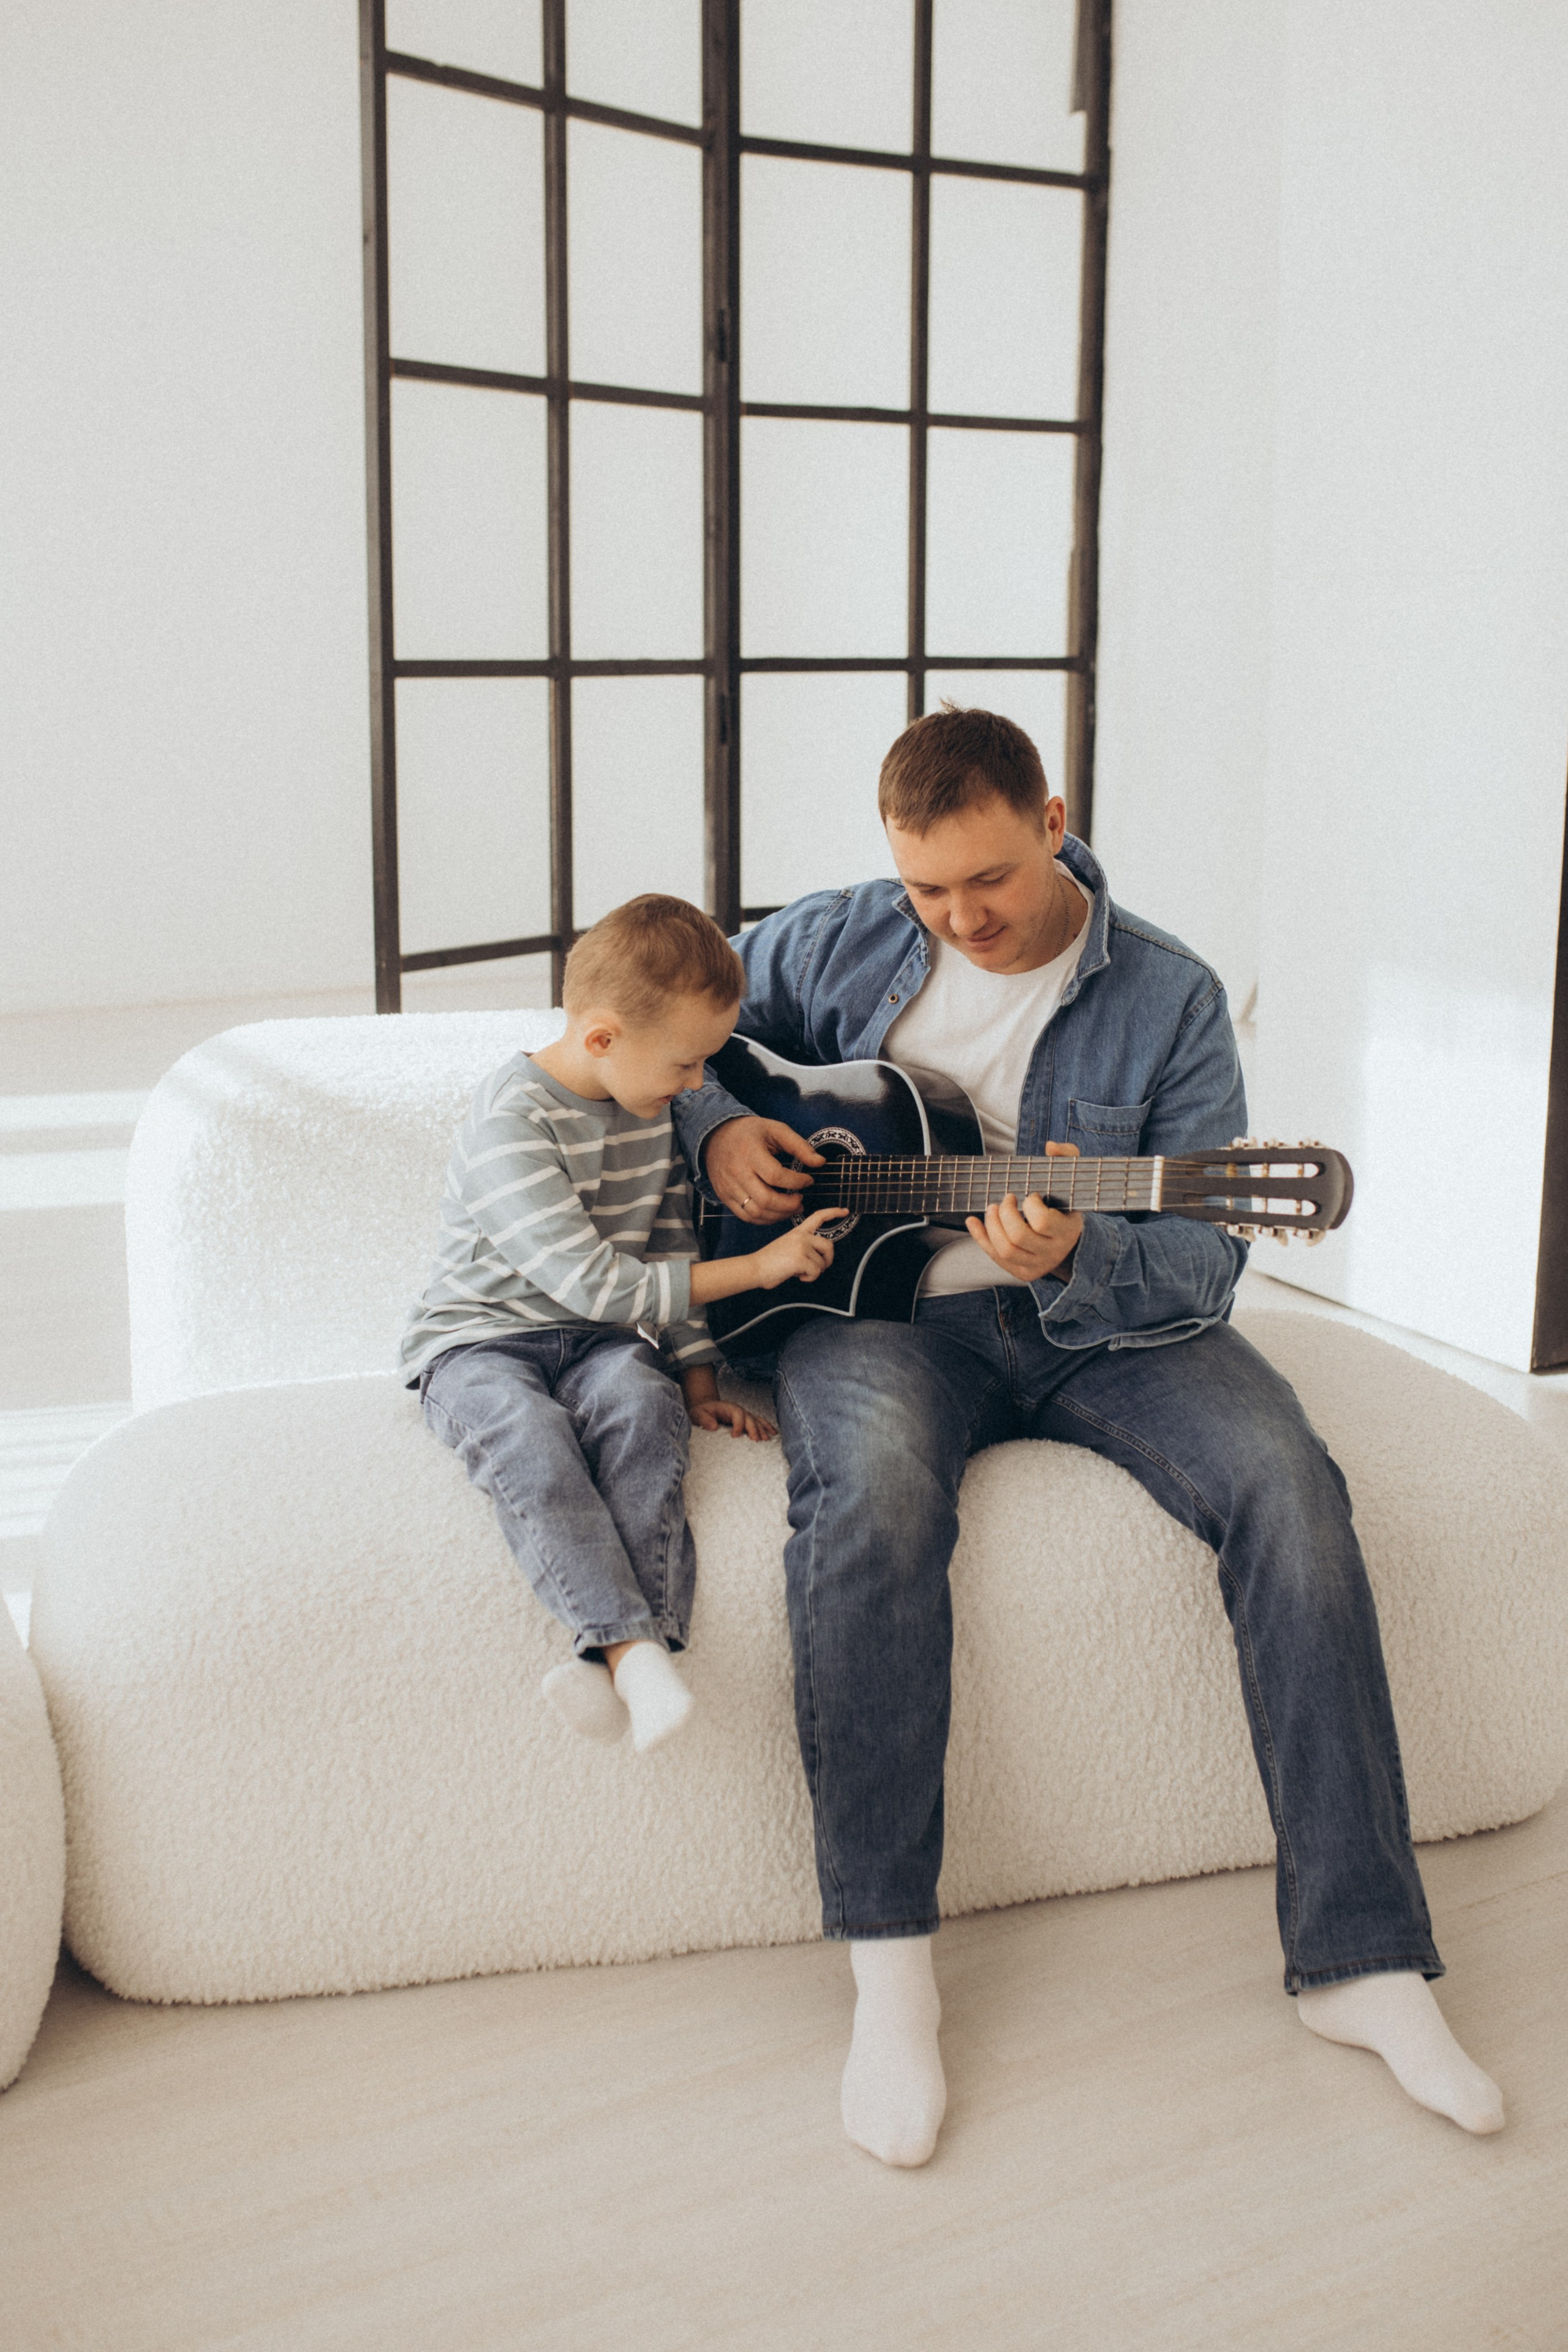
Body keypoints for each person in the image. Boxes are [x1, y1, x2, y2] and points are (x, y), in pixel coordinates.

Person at [672, 706, 1505, 2164]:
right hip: (877, 1328)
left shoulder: (1168, 996)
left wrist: (1069, 1257)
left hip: (1102, 1326)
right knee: (862, 1502)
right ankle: (889, 1971)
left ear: (1051, 822)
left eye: (984, 881)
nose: (958, 918)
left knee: (1287, 1486)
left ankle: (1361, 1962)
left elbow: (1199, 1269)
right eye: (927, 889)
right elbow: (678, 1029)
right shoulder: (831, 940)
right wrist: (710, 1131)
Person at [402, 894, 835, 1755]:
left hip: (598, 1341)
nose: (697, 1087)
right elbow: (594, 1281)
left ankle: (613, 1666)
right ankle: (634, 1648)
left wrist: (699, 1380)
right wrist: (758, 1267)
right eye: (686, 1066)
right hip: (479, 1340)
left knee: (643, 1407)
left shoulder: (650, 1107)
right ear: (602, 1038)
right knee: (526, 1436)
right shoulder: (511, 1125)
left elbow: (669, 1234)